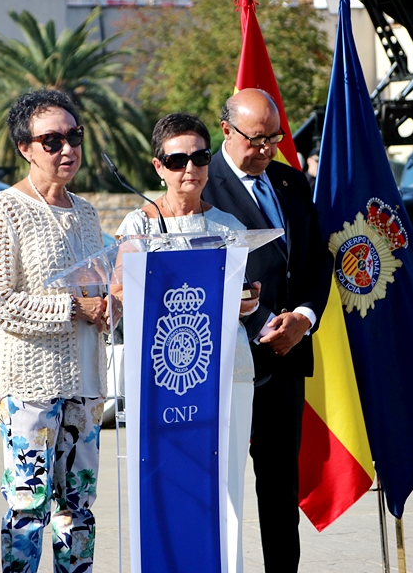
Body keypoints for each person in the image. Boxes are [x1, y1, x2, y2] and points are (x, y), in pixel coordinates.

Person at [114, 112, 260, 573]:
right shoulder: (136, 228)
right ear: (158, 166)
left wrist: (248, 301)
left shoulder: (229, 226)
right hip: (160, 381)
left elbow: (245, 298)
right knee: (167, 488)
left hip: (228, 374)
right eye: (178, 160)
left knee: (227, 493)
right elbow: (120, 291)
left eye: (199, 157)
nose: (190, 169)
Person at [0, 89, 113, 573]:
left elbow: (98, 287)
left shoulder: (88, 213)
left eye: (74, 137)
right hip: (29, 388)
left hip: (86, 385)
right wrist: (73, 308)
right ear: (25, 148)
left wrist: (107, 306)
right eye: (51, 140)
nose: (67, 150)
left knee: (78, 509)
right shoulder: (5, 209)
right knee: (28, 509)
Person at [201, 88, 332, 573]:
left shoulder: (291, 182)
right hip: (228, 364)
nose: (266, 149)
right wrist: (256, 322)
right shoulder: (200, 185)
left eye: (274, 138)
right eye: (256, 139)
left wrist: (302, 318)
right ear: (227, 131)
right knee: (222, 486)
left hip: (287, 359)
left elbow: (317, 262)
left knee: (280, 490)